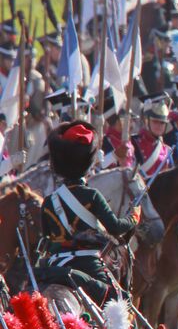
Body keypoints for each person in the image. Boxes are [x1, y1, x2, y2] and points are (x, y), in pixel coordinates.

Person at [35, 120, 140, 303]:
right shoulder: (92, 196)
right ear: (87, 162)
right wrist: (134, 217)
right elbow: (115, 227)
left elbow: (46, 241)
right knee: (122, 303)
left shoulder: (49, 202)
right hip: (88, 265)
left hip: (54, 266)